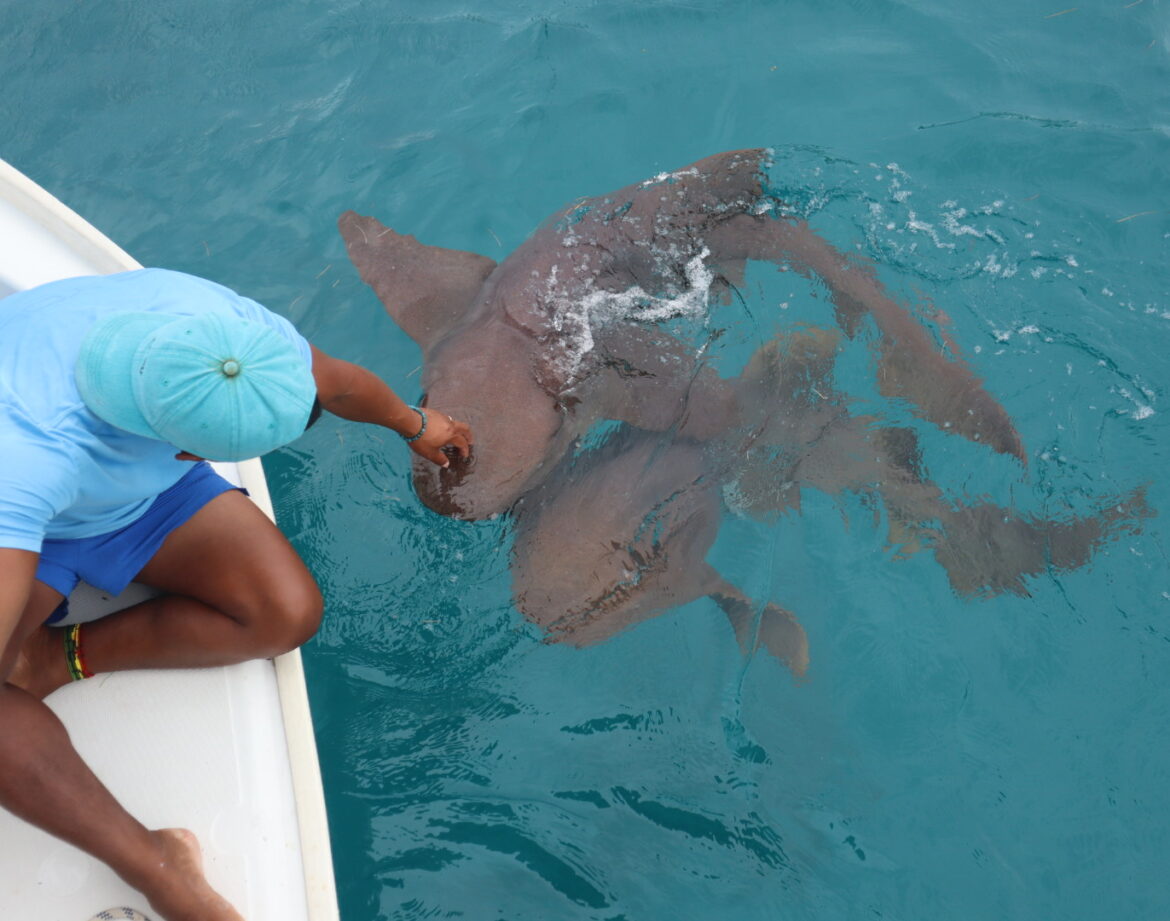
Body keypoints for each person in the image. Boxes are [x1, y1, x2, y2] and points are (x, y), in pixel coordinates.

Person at [0, 268, 472, 921]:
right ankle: (157, 865)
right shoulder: (23, 451)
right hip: (25, 523)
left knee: (285, 610)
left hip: (130, 493)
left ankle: (55, 657)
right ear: (190, 447)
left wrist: (414, 423)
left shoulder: (229, 338)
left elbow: (334, 382)